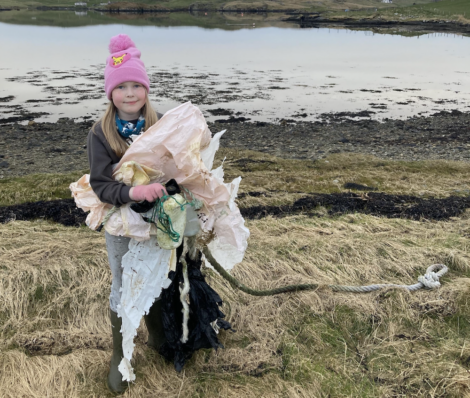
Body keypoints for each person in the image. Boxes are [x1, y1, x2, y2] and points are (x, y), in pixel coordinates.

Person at [86, 33, 167, 394]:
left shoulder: (161, 123)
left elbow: (177, 168)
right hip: (120, 223)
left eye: (137, 85)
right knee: (123, 284)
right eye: (122, 87)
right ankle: (120, 357)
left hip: (159, 220)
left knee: (159, 277)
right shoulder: (100, 133)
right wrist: (135, 191)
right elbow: (102, 187)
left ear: (147, 90)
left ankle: (159, 338)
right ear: (110, 93)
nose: (130, 93)